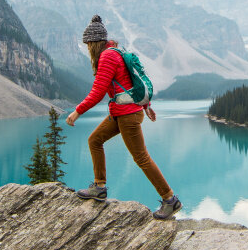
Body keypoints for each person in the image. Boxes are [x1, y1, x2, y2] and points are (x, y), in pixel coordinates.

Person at [66, 15, 182, 220]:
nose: (87, 48)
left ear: (93, 43)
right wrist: (146, 106)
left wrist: (77, 111)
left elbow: (98, 91)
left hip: (127, 116)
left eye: (88, 45)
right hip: (121, 113)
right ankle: (99, 187)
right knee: (95, 140)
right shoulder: (116, 52)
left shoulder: (107, 57)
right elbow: (130, 82)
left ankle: (170, 199)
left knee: (141, 158)